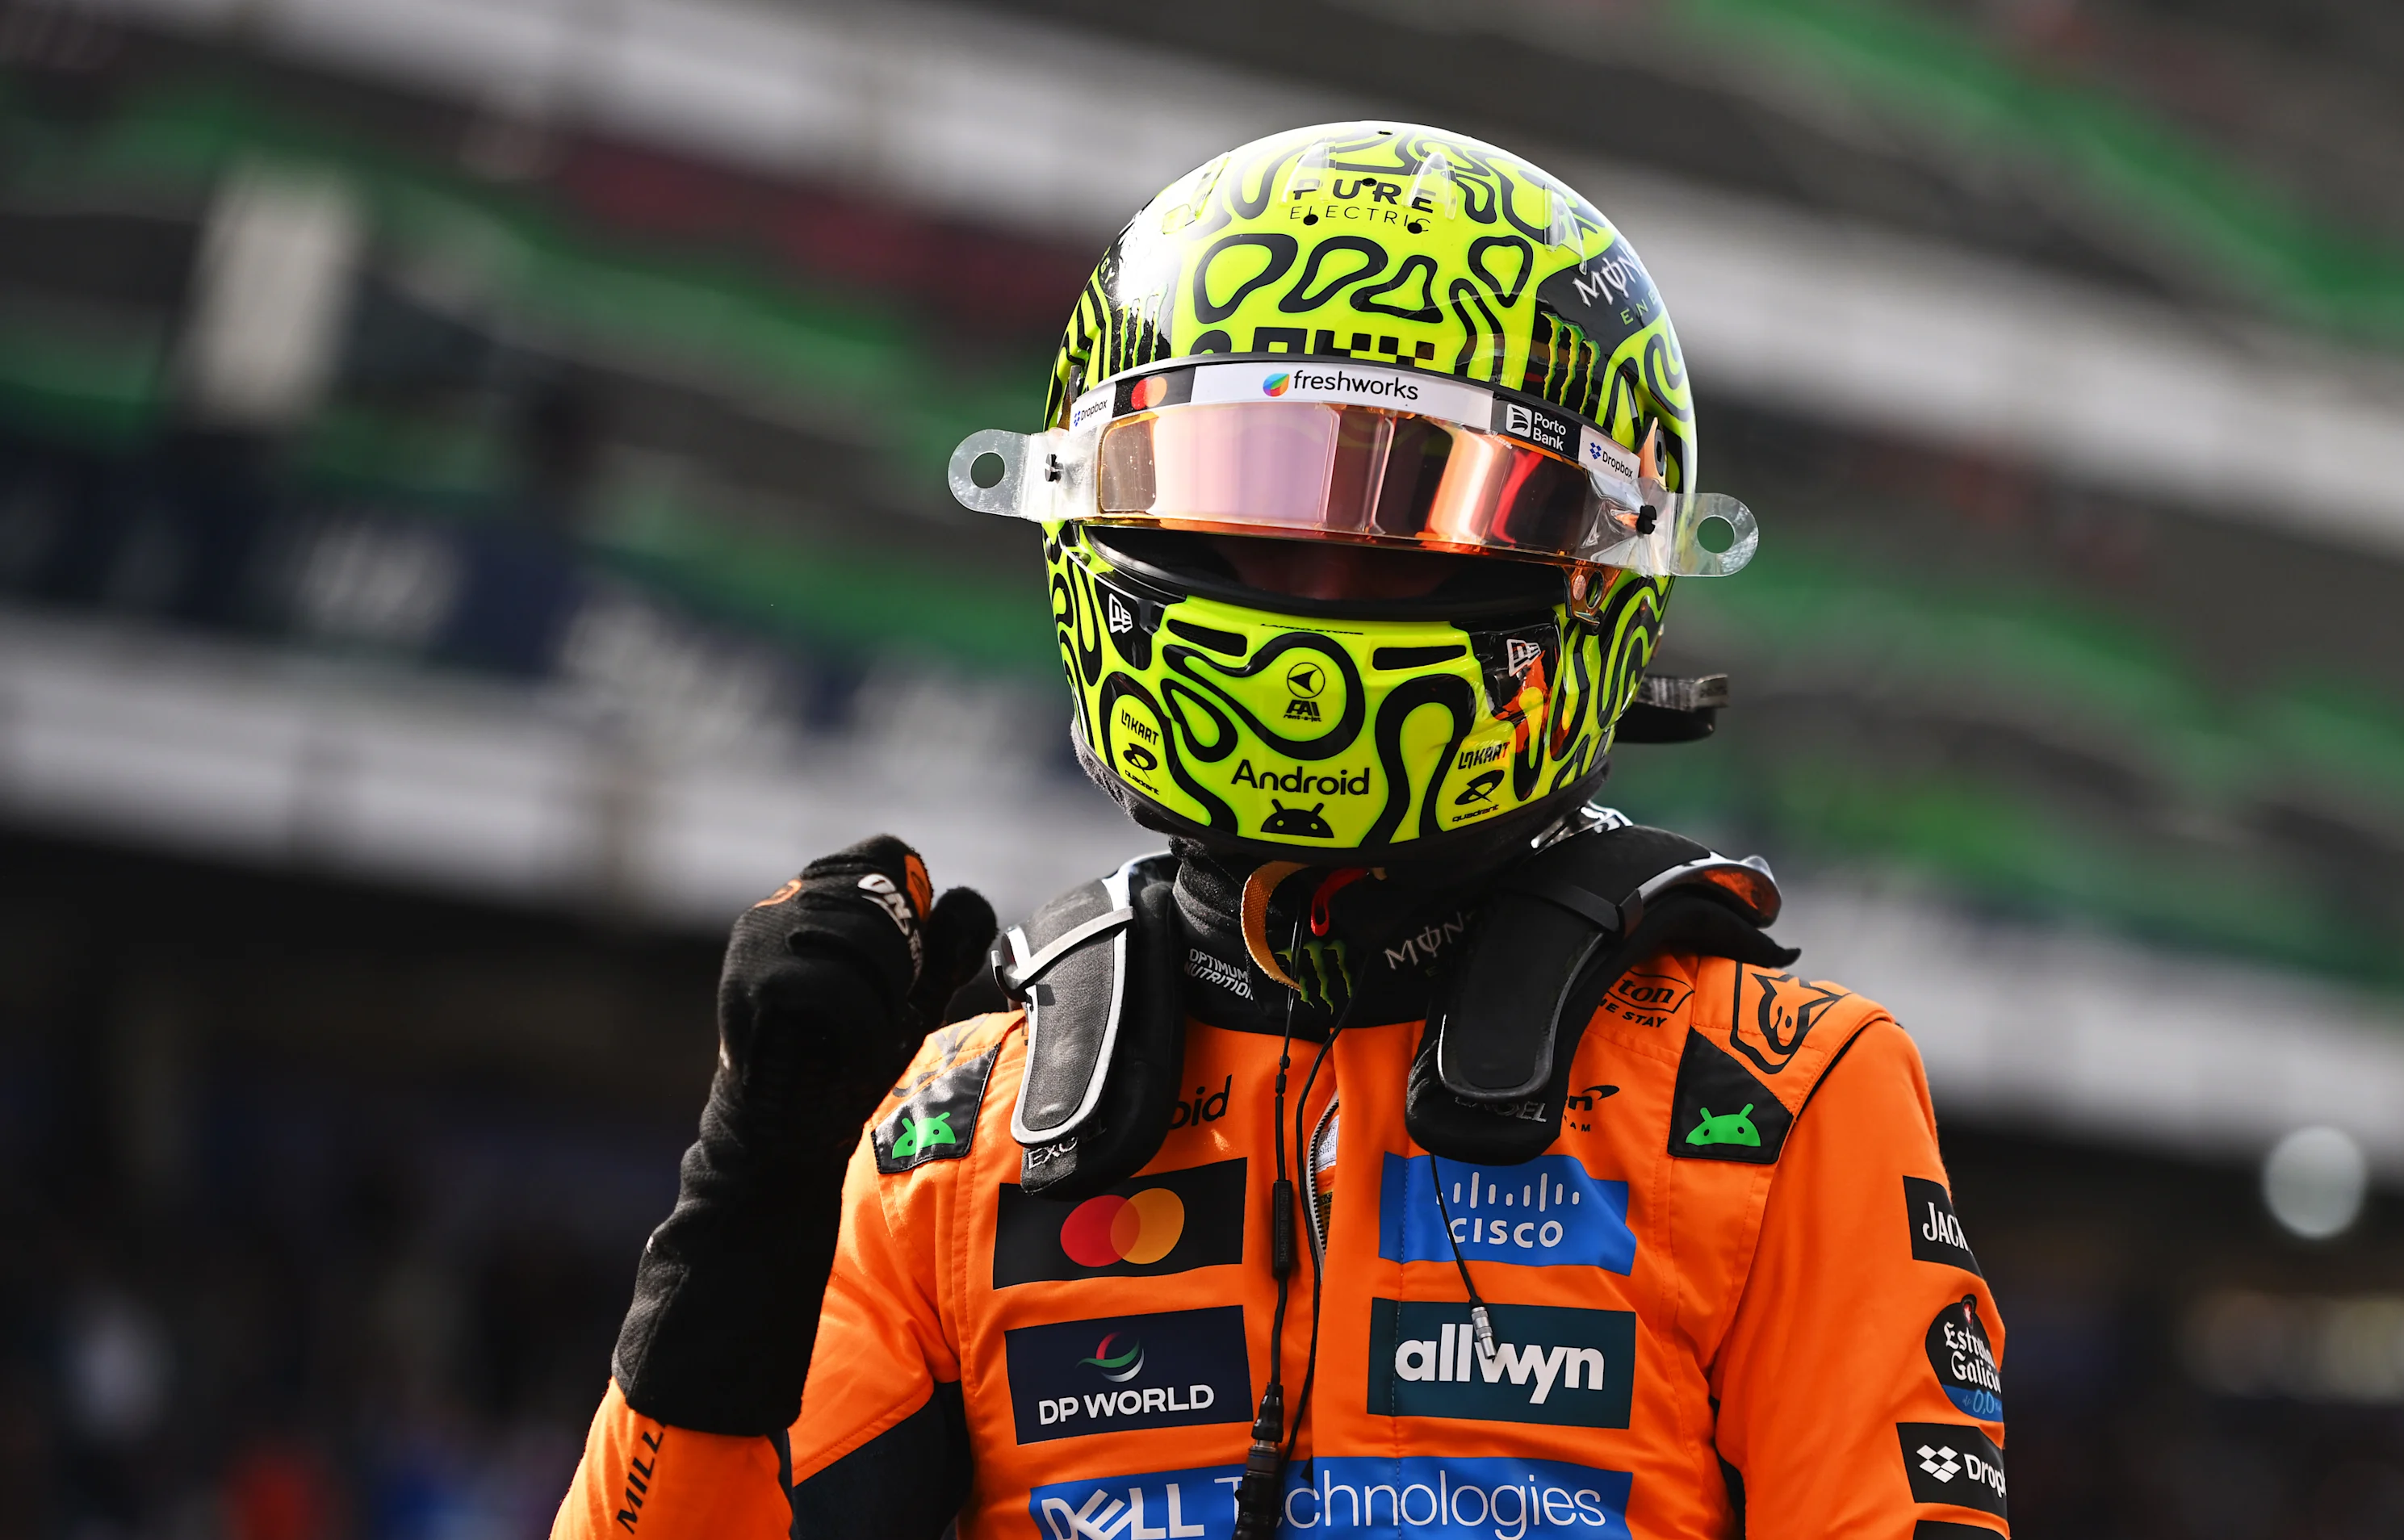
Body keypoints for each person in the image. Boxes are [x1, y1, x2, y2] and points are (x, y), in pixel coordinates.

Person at [553, 122, 2007, 1540]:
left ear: (1588, 567)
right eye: (1248, 501)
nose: (1316, 580)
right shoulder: (958, 1132)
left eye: (1414, 516)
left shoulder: (1783, 1100)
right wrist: (748, 1207)